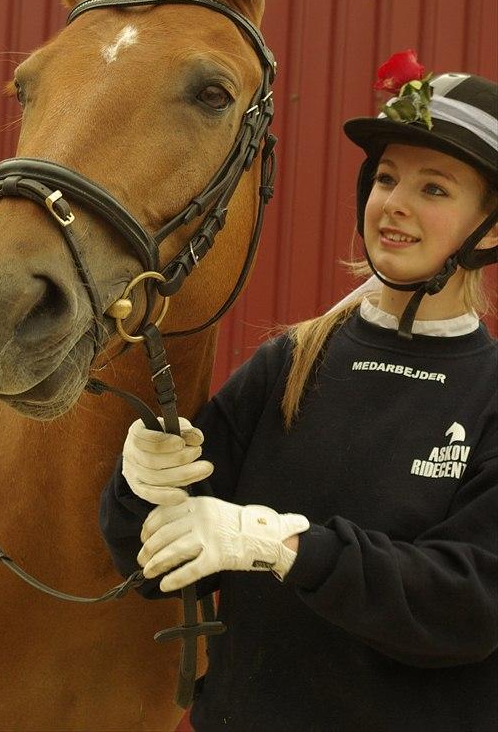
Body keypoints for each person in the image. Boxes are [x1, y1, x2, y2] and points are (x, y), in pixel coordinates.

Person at [99, 52, 498, 732]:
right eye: (387, 177)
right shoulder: (288, 362)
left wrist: (280, 543)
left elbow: (467, 604)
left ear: (491, 230)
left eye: (435, 189)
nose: (394, 201)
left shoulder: (487, 394)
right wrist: (144, 485)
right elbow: (154, 559)